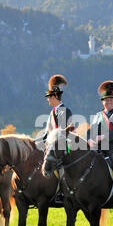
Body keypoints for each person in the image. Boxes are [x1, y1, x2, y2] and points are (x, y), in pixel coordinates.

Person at [87, 81, 113, 204]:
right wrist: (89, 139)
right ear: (102, 101)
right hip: (99, 147)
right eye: (106, 100)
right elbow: (90, 130)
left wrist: (103, 137)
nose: (109, 102)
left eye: (111, 100)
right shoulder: (97, 115)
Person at [35, 74, 73, 204]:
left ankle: (62, 192)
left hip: (64, 145)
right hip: (53, 145)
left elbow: (62, 132)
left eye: (49, 97)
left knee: (61, 165)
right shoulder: (52, 112)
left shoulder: (64, 110)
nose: (48, 100)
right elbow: (47, 132)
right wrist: (36, 142)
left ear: (55, 97)